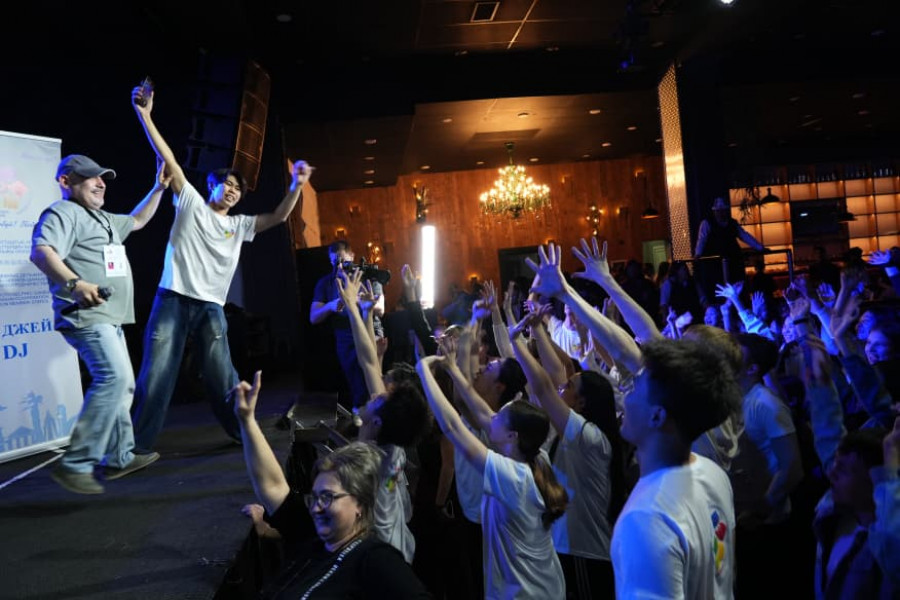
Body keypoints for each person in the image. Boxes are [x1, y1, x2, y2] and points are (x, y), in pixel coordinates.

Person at [129, 83, 313, 453]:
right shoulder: (191, 203)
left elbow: (278, 217)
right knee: (157, 374)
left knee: (222, 375)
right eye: (226, 184)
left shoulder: (240, 225)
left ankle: (241, 431)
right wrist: (145, 115)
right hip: (173, 299)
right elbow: (170, 160)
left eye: (237, 189)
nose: (231, 190)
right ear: (211, 186)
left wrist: (296, 185)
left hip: (211, 307)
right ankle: (136, 447)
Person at [30, 154, 170, 494]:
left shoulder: (103, 218)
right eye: (90, 177)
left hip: (111, 318)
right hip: (88, 316)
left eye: (102, 177)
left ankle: (120, 457)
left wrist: (158, 188)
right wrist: (75, 285)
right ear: (66, 182)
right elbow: (41, 251)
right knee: (114, 378)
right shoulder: (63, 212)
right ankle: (76, 463)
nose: (100, 182)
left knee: (123, 384)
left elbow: (138, 221)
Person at [231, 371, 431, 599]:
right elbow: (274, 488)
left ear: (360, 502)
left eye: (328, 497)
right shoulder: (319, 538)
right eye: (314, 497)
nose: (316, 508)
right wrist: (247, 421)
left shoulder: (374, 559)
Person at [417, 344, 568, 600]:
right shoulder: (536, 457)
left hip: (527, 593)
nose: (491, 418)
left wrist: (423, 371)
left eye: (499, 418)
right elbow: (479, 409)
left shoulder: (512, 476)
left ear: (512, 436)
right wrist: (452, 368)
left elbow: (452, 427)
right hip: (543, 585)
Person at [611, 338, 742, 598]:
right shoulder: (714, 474)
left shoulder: (647, 519)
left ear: (657, 416)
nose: (626, 395)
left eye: (635, 389)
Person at [310, 240, 385, 409]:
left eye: (342, 261)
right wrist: (330, 306)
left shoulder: (368, 275)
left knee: (373, 374)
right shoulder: (326, 282)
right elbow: (313, 317)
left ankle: (377, 411)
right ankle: (361, 412)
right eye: (334, 262)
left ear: (352, 256)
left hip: (370, 329)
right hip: (345, 334)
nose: (339, 266)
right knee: (355, 381)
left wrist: (357, 301)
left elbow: (381, 309)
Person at [694, 196, 766, 305]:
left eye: (723, 211)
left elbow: (745, 236)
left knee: (737, 288)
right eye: (719, 211)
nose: (721, 213)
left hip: (733, 262)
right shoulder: (707, 223)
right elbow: (702, 239)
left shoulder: (732, 223)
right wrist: (698, 254)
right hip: (715, 265)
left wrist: (760, 247)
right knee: (719, 290)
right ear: (715, 211)